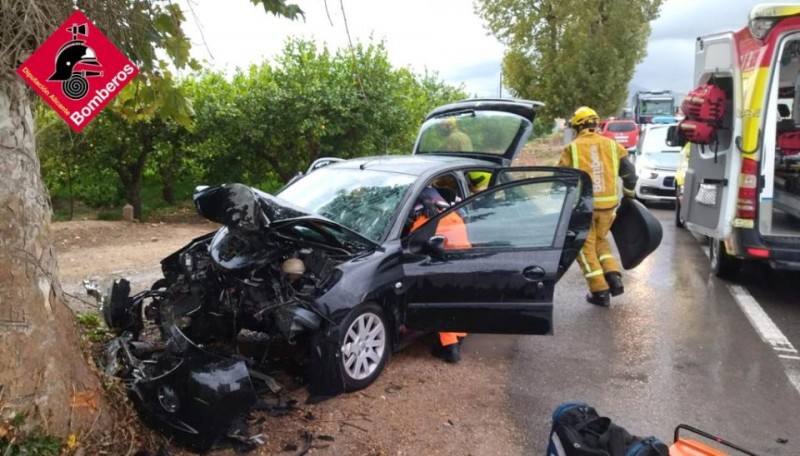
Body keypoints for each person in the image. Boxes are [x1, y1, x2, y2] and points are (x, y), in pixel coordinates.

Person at [558, 106, 638, 307]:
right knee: (601, 242)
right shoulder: (613, 146)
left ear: (577, 127)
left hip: (584, 209)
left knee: (584, 249)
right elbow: (630, 174)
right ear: (597, 123)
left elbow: (560, 181)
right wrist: (629, 195)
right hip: (608, 209)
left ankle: (599, 291)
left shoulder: (572, 148)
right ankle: (613, 276)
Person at [409, 187, 470, 362]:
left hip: (430, 223)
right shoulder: (436, 190)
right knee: (458, 294)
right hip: (455, 225)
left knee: (441, 295)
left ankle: (450, 347)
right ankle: (458, 339)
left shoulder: (409, 188)